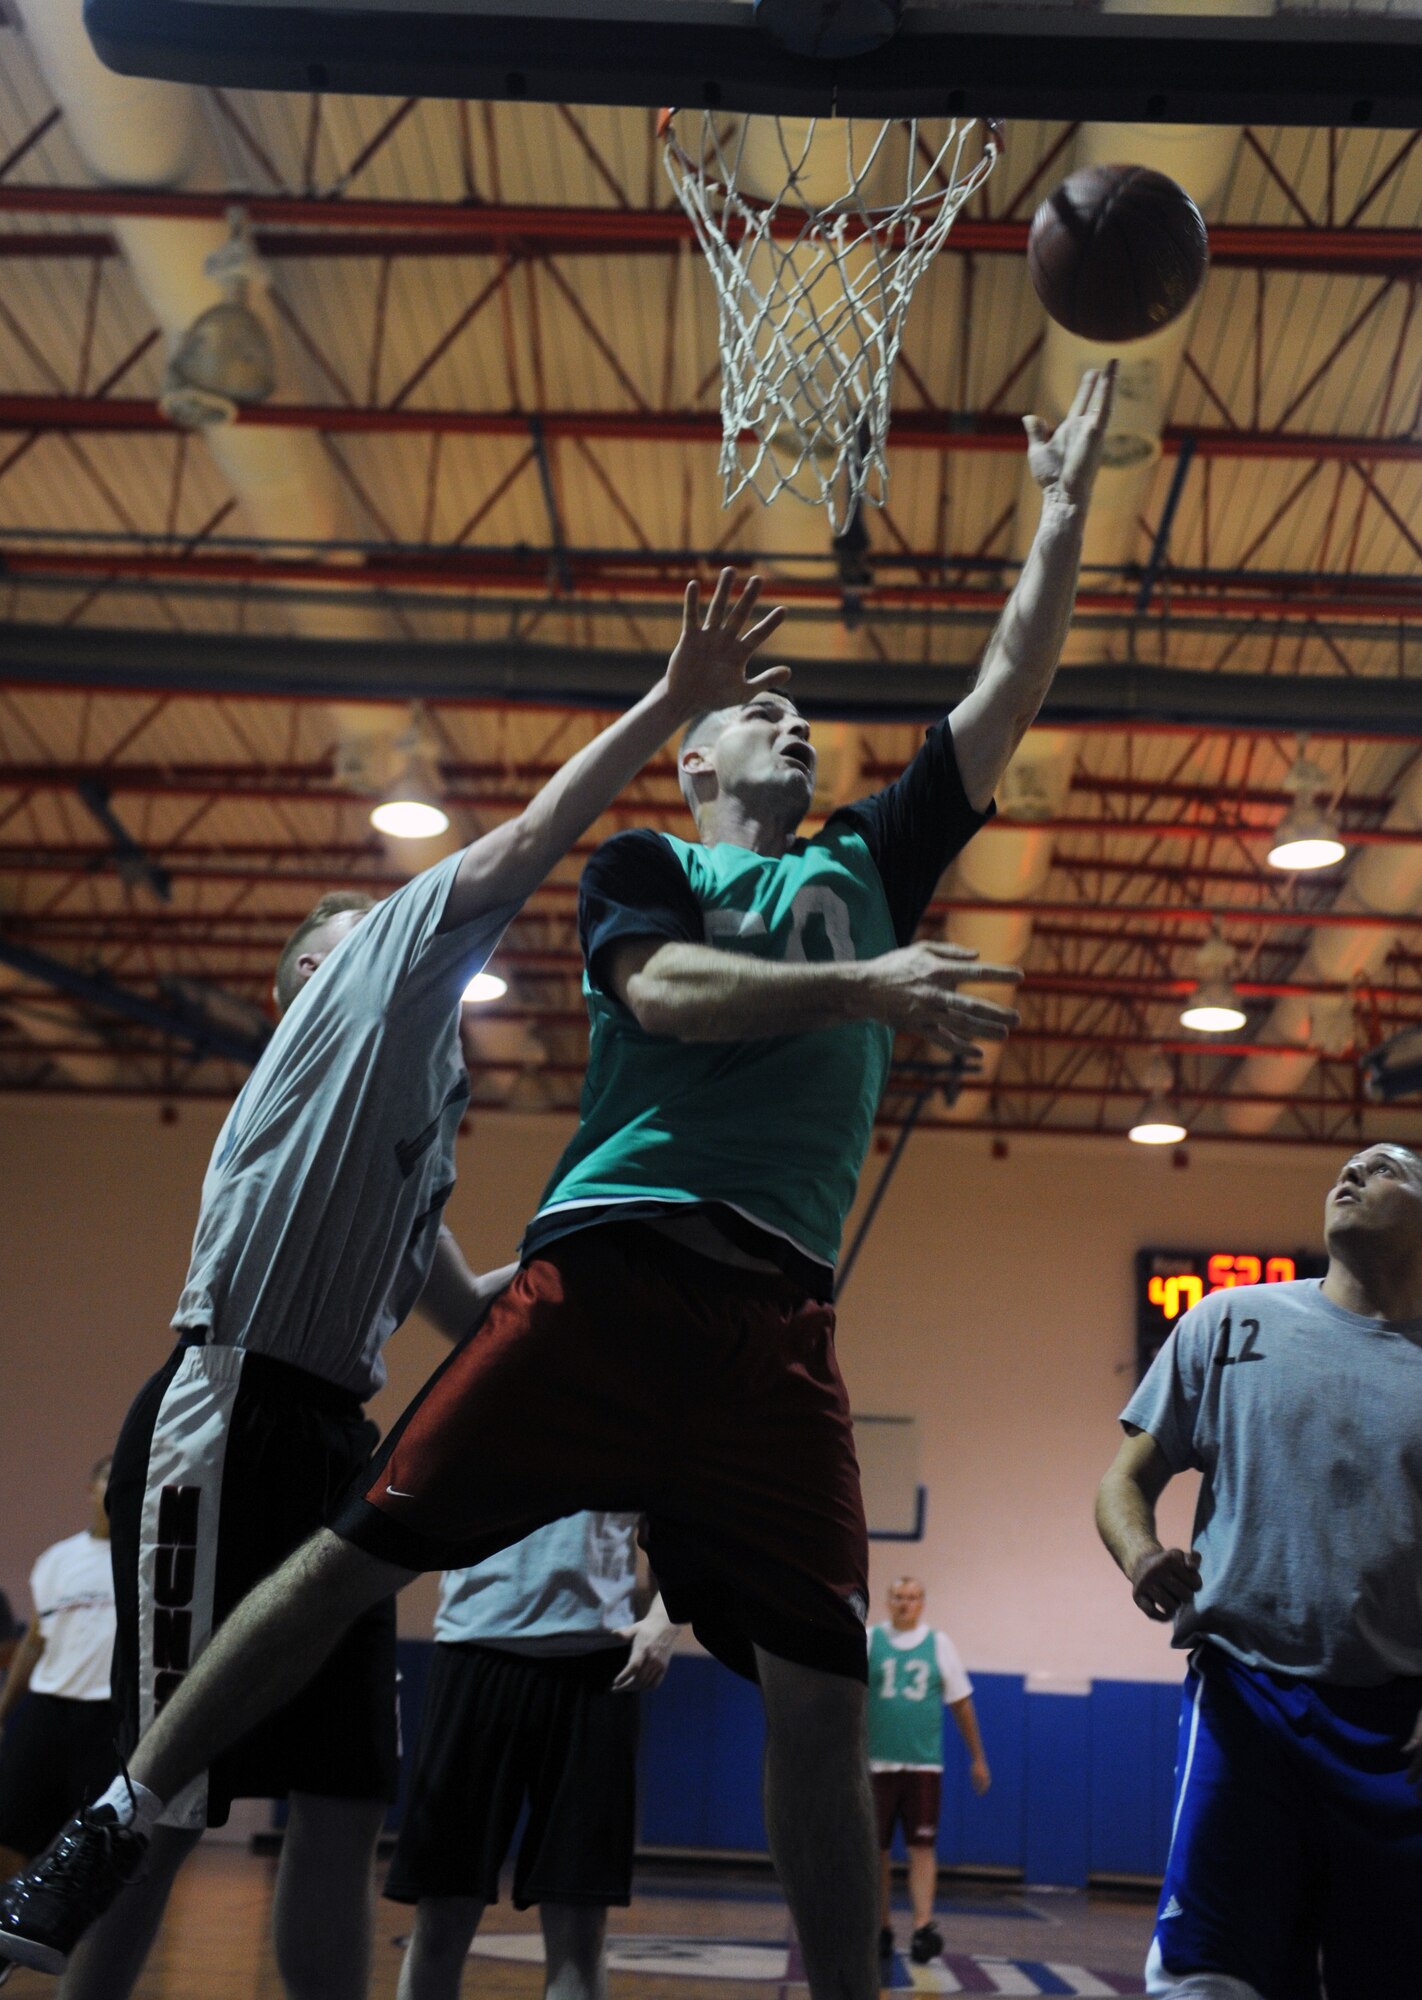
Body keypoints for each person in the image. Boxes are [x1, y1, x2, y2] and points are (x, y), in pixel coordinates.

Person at [0, 366, 1115, 2000]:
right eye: (767, 710)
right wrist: (861, 993)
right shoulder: (648, 866)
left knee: (819, 1684)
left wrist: (1067, 508)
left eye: (807, 715)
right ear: (700, 761)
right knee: (352, 1553)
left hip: (778, 1331)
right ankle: (123, 1808)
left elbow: (1011, 678)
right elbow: (662, 995)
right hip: (604, 1280)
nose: (796, 721)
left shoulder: (866, 863)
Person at [0, 568, 787, 1999]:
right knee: (165, 1798)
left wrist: (631, 1221)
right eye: (331, 943)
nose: (365, 950)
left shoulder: (409, 1133)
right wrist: (669, 704)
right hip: (223, 1408)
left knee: (347, 1803)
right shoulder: (363, 975)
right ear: (315, 971)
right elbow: (540, 835)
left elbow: (463, 1309)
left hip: (324, 1439)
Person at [1096, 1142, 1422, 2000]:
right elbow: (1124, 1479)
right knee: (1208, 1979)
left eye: (1385, 1168)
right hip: (1246, 1699)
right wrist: (1141, 1553)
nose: (1350, 1175)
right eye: (1346, 1166)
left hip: (1399, 1729)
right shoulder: (1228, 1321)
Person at [389, 1513, 678, 2000]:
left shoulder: (647, 1433)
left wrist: (665, 1618)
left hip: (597, 1668)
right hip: (473, 1653)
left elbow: (691, 1522)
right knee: (439, 1922)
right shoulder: (472, 1431)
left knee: (580, 1935)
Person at [0, 1462, 116, 1884]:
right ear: (91, 1490)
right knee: (10, 1829)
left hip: (110, 1715)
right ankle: (8, 1931)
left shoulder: (147, 1556)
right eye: (110, 1477)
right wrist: (3, 1711)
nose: (118, 1485)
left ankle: (81, 1944)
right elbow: (34, 1640)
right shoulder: (57, 1559)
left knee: (98, 1839)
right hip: (47, 1709)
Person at [867, 1574, 989, 1966]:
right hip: (876, 1763)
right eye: (899, 1597)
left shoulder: (939, 1643)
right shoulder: (870, 1640)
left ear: (923, 1603)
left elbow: (961, 1703)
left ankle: (922, 1926)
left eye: (913, 1597)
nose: (906, 1603)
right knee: (876, 1851)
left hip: (922, 1764)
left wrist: (978, 1756)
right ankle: (880, 1926)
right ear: (888, 1601)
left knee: (922, 1847)